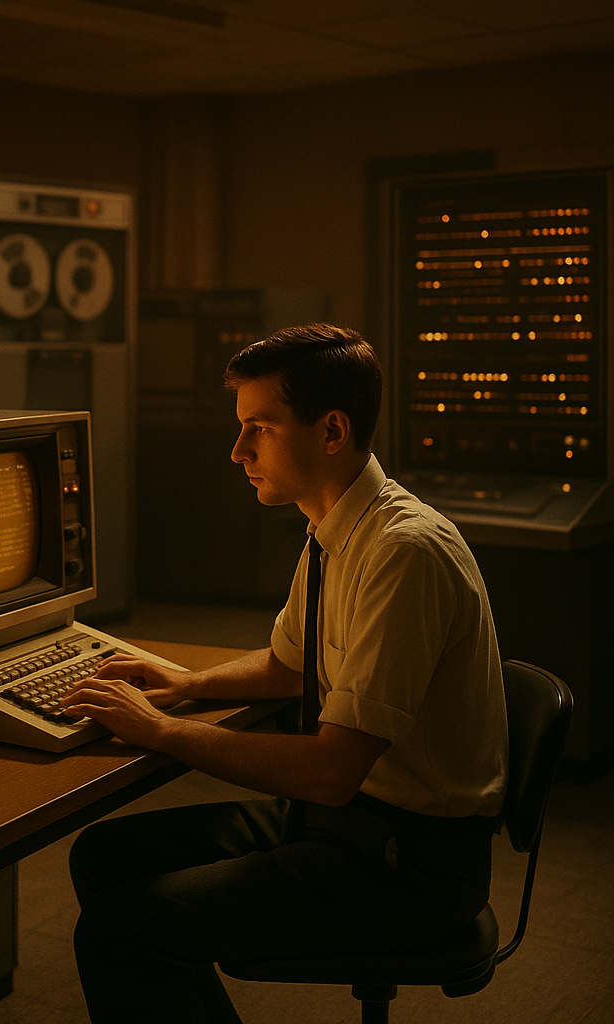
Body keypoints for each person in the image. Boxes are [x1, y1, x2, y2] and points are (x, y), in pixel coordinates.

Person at [60, 323, 509, 1024]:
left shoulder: (404, 552)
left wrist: (159, 731)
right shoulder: (334, 528)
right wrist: (188, 683)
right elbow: (288, 663)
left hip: (406, 863)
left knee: (121, 929)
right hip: (345, 823)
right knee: (105, 857)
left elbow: (331, 770)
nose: (237, 451)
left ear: (331, 431)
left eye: (259, 429)